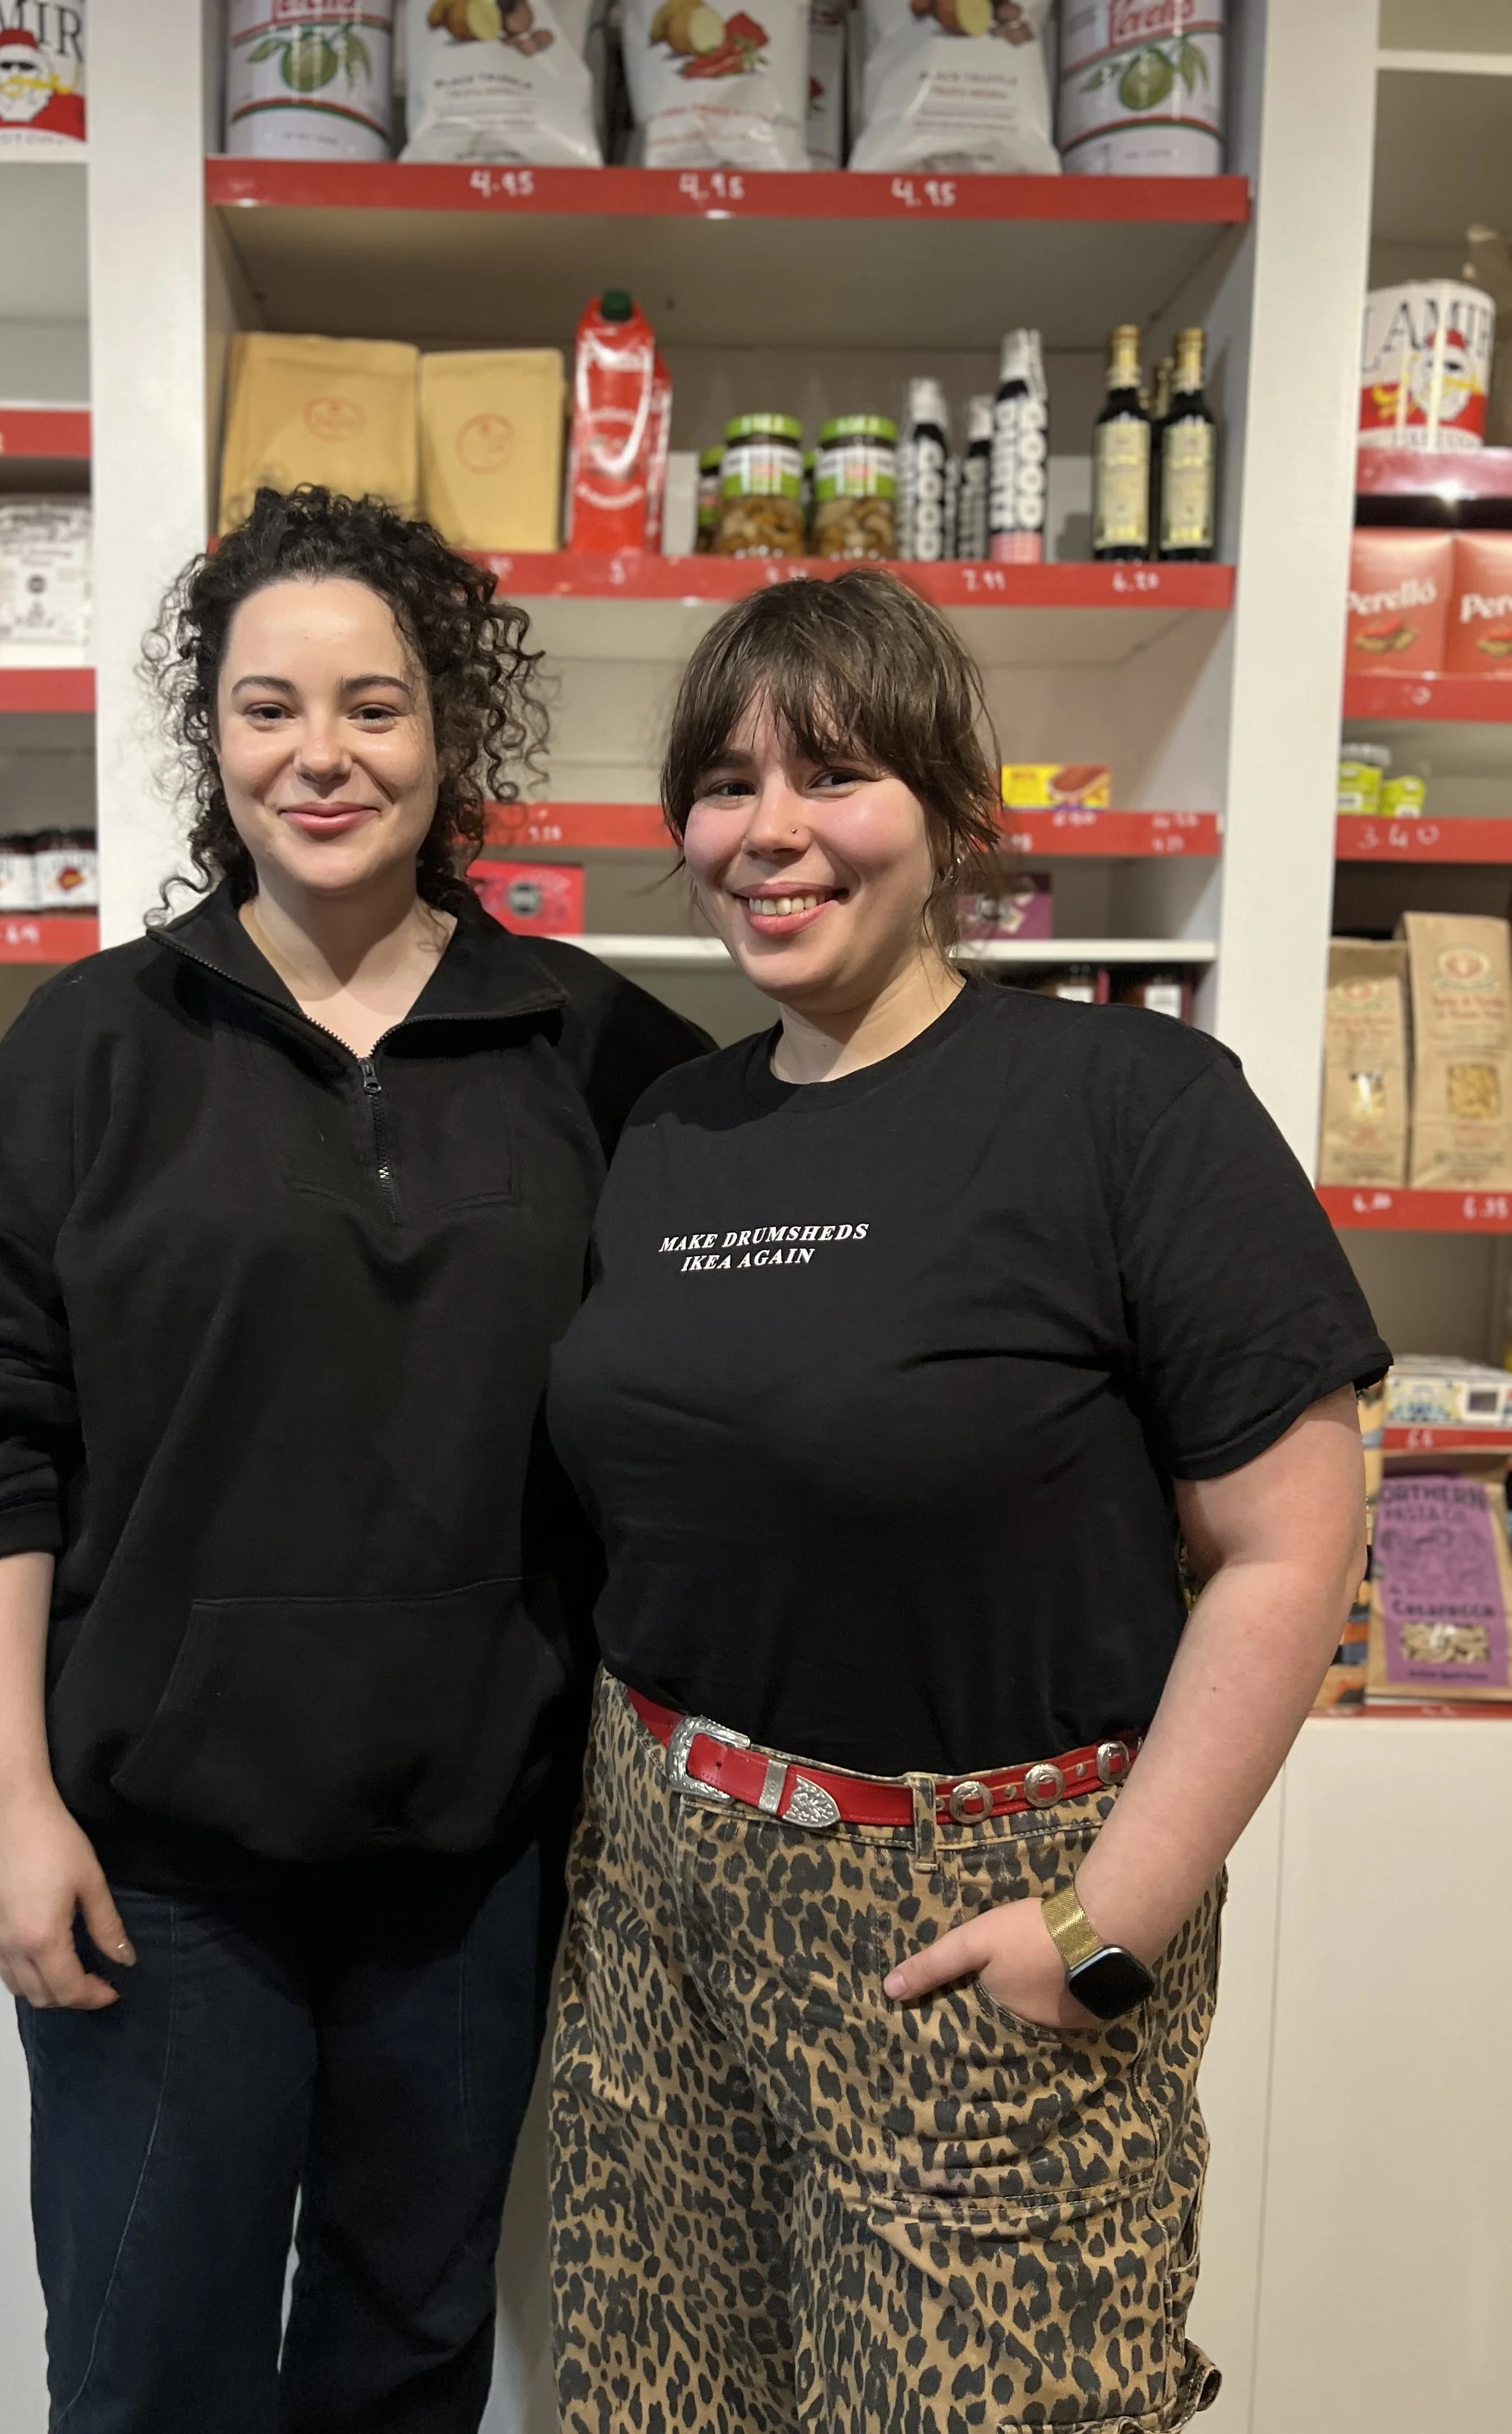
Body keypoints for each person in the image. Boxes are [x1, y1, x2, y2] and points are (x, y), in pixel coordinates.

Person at [0, 486, 708, 2434]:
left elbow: (740, 1347)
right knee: (153, 2363)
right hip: (162, 1867)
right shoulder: (93, 1047)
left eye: (372, 705)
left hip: (480, 1859)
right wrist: (9, 1798)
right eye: (265, 708)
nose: (318, 754)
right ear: (209, 740)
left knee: (402, 2366)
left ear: (448, 732)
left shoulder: (596, 1052)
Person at [543, 567, 1385, 2434]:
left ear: (943, 811)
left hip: (972, 1912)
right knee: (660, 2401)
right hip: (664, 1895)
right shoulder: (673, 1127)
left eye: (832, 775)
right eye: (722, 784)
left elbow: (1285, 1545)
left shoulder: (1129, 1103)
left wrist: (1107, 1925)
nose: (768, 834)